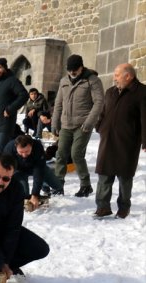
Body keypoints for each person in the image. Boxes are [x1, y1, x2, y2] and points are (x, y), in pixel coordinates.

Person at [93, 63, 146, 219]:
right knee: (104, 173)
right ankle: (102, 207)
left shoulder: (142, 92)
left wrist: (145, 140)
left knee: (124, 176)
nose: (114, 77)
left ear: (128, 76)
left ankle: (124, 207)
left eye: (117, 75)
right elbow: (103, 112)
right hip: (107, 139)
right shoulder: (110, 92)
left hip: (127, 141)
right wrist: (99, 126)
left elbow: (145, 118)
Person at [52, 54, 105, 198]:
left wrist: (89, 122)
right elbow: (58, 103)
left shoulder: (92, 80)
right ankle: (58, 185)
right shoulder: (64, 81)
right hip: (65, 125)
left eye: (75, 69)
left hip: (82, 125)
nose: (72, 72)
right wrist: (54, 122)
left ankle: (85, 185)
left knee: (76, 154)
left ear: (81, 67)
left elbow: (99, 102)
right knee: (61, 154)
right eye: (70, 70)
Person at [3, 135, 63, 210]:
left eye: (27, 151)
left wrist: (35, 194)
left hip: (35, 167)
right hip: (18, 170)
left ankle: (47, 187)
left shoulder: (37, 146)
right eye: (21, 152)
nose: (24, 155)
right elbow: (7, 171)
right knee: (23, 195)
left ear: (31, 146)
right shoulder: (9, 149)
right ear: (16, 147)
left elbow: (39, 171)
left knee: (57, 185)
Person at [0, 58, 28, 157]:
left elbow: (23, 95)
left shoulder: (12, 81)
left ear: (5, 68)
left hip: (6, 123)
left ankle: (5, 171)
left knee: (1, 150)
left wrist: (10, 109)